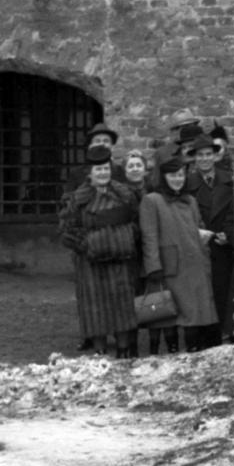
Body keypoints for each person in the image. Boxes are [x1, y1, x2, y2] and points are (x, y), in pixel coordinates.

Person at [59, 150, 141, 358]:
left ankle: (124, 350)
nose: (103, 173)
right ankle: (100, 351)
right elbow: (66, 230)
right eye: (99, 169)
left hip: (120, 261)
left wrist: (124, 237)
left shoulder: (125, 195)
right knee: (95, 308)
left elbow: (137, 221)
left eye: (106, 168)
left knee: (121, 305)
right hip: (90, 264)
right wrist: (91, 244)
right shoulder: (77, 199)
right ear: (90, 172)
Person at [139, 154, 218, 354]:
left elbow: (197, 225)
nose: (177, 179)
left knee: (199, 312)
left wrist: (202, 236)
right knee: (180, 312)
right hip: (171, 266)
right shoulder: (152, 200)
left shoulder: (190, 200)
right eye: (172, 175)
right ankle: (178, 352)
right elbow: (149, 236)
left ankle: (197, 351)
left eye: (181, 175)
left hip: (196, 263)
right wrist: (153, 266)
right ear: (164, 177)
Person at [187, 136, 234, 344]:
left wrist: (228, 235)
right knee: (200, 296)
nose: (205, 159)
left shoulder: (230, 179)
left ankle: (222, 337)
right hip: (198, 248)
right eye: (200, 155)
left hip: (222, 247)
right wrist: (196, 232)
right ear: (195, 159)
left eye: (209, 154)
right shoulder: (187, 184)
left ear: (215, 156)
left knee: (222, 294)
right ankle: (201, 341)